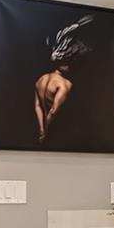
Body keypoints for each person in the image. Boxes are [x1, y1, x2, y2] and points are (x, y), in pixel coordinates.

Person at [34, 15, 92, 143]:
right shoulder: (65, 84)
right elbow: (54, 111)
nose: (71, 65)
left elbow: (37, 106)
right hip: (57, 133)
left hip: (47, 129)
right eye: (69, 62)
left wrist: (41, 130)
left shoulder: (40, 79)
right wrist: (46, 133)